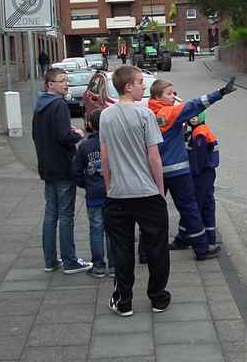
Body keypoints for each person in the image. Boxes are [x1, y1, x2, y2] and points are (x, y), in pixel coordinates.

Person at [100, 66, 171, 317]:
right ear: (128, 86)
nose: (144, 86)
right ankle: (158, 298)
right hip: (147, 193)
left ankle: (124, 301)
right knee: (157, 248)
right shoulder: (145, 115)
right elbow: (154, 158)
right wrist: (160, 191)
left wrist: (109, 188)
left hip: (118, 195)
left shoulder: (105, 116)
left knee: (122, 250)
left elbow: (105, 159)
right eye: (140, 82)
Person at [147, 76, 236, 260]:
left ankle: (146, 252)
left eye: (175, 93)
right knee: (189, 208)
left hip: (155, 170)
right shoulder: (170, 113)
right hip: (177, 170)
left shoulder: (148, 112)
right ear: (157, 96)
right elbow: (193, 106)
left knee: (152, 211)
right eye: (170, 93)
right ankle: (202, 249)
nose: (174, 96)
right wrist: (219, 93)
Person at [32, 68, 92, 274]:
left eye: (66, 80)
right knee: (66, 215)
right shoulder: (58, 105)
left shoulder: (40, 105)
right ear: (50, 84)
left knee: (51, 214)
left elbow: (36, 135)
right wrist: (77, 134)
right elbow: (63, 137)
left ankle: (50, 260)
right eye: (62, 81)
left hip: (47, 167)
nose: (66, 84)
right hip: (62, 167)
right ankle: (70, 261)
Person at [73, 109, 115, 278]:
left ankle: (98, 266)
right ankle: (114, 266)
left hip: (94, 194)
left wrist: (86, 184)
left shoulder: (84, 146)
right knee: (113, 230)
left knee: (96, 230)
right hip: (112, 192)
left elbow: (76, 171)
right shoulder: (113, 143)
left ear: (90, 124)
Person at [187, 111, 220, 249]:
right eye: (191, 117)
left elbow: (198, 157)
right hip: (208, 172)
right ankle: (210, 238)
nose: (193, 119)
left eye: (196, 116)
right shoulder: (201, 130)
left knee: (197, 205)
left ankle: (197, 239)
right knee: (207, 203)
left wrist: (194, 172)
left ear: (201, 118)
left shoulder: (199, 133)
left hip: (202, 174)